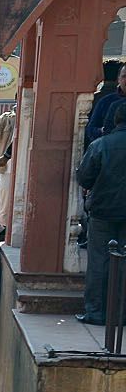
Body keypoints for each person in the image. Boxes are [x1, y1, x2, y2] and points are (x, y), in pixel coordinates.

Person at [74, 105, 126, 324]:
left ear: (115, 120)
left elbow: (85, 178)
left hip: (103, 211)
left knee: (99, 262)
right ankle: (121, 315)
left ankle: (95, 312)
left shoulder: (100, 145)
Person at [84, 60, 126, 152]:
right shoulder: (106, 101)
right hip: (110, 154)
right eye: (124, 76)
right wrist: (102, 131)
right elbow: (91, 130)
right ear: (118, 79)